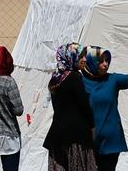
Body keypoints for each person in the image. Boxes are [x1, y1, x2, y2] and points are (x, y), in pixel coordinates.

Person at [43, 42, 97, 171]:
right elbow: (85, 107)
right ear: (70, 57)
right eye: (81, 56)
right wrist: (93, 126)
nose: (84, 59)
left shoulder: (56, 78)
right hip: (76, 137)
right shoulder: (74, 77)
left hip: (57, 135)